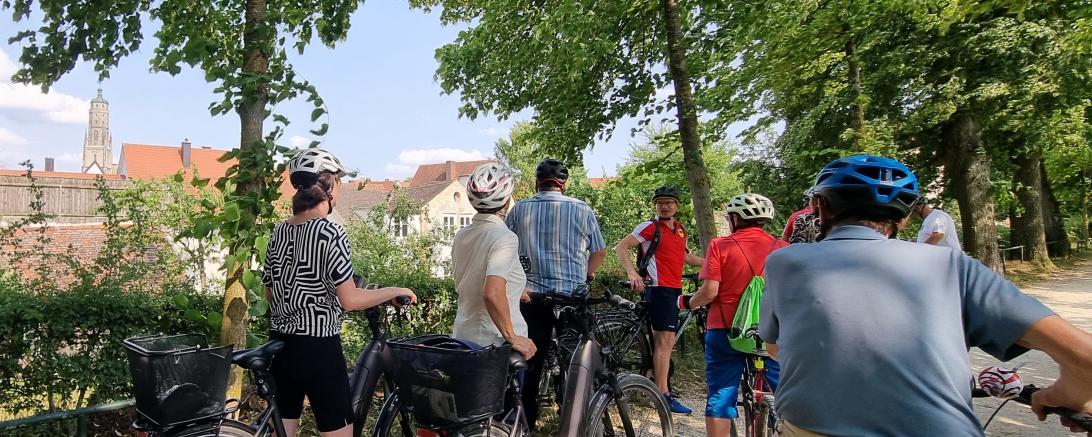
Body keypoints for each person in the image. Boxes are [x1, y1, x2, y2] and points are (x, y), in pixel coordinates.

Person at [760, 155, 1092, 436]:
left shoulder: (784, 261)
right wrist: (1067, 390)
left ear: (821, 208)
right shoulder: (950, 264)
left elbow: (775, 349)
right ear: (903, 219)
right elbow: (1084, 355)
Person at [262, 148, 417, 437]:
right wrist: (393, 291)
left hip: (280, 347)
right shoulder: (330, 232)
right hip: (318, 349)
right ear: (329, 185)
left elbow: (270, 294)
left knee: (281, 432)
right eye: (339, 180)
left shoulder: (278, 232)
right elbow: (349, 299)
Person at [505, 158, 607, 430]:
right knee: (575, 364)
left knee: (529, 362)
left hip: (531, 298)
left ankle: (522, 424)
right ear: (564, 184)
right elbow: (599, 251)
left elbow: (506, 251)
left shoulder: (519, 210)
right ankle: (573, 421)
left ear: (538, 182)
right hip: (571, 300)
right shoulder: (583, 209)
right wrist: (586, 275)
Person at [678, 193, 787, 436]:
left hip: (726, 331)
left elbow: (709, 293)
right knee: (785, 392)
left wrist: (687, 302)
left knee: (721, 394)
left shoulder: (720, 245)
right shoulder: (783, 248)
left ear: (735, 219)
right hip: (771, 333)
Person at [615, 185, 704, 414]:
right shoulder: (649, 227)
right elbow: (621, 247)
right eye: (660, 202)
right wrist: (632, 273)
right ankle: (663, 394)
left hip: (672, 289)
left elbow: (685, 257)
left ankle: (655, 383)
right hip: (659, 288)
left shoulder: (681, 229)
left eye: (669, 202)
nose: (665, 206)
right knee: (666, 342)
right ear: (656, 206)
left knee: (661, 342)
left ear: (677, 206)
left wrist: (712, 264)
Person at [452, 163, 536, 360]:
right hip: (495, 344)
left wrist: (516, 290)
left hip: (464, 337)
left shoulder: (462, 234)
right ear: (506, 201)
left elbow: (473, 278)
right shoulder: (504, 237)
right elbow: (492, 293)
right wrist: (512, 337)